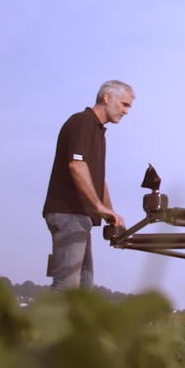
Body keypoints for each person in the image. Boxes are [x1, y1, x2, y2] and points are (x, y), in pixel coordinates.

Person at [42, 80, 134, 290]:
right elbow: (76, 165)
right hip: (68, 212)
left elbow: (97, 180)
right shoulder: (82, 122)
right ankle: (49, 323)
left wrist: (110, 214)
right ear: (107, 98)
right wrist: (98, 205)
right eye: (124, 104)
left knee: (84, 287)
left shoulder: (99, 132)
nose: (126, 112)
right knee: (67, 284)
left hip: (81, 216)